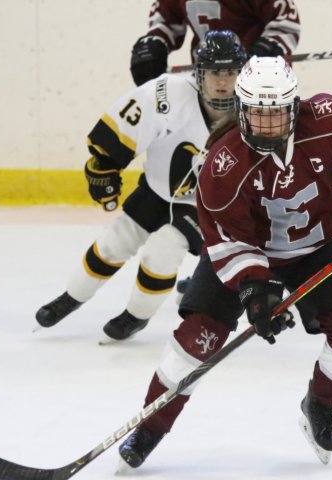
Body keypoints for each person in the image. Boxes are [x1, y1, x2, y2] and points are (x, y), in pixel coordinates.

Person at [118, 56, 332, 466]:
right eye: (258, 116)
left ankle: (320, 406)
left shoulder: (329, 119)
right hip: (243, 256)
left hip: (314, 252)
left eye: (278, 115)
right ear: (241, 110)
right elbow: (226, 240)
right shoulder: (222, 165)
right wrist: (255, 290)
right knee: (197, 339)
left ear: (295, 107)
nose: (268, 127)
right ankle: (150, 427)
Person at [34, 31, 248, 342]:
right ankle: (70, 298)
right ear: (198, 73)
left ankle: (136, 316)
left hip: (206, 207)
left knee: (162, 251)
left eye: (230, 72)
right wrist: (103, 166)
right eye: (215, 72)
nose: (222, 82)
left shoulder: (258, 111)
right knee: (114, 242)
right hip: (156, 189)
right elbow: (124, 126)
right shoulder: (168, 95)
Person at [130, 0, 301, 86]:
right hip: (207, 82)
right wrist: (155, 44)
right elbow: (167, 19)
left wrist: (267, 49)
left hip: (260, 85)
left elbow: (285, 22)